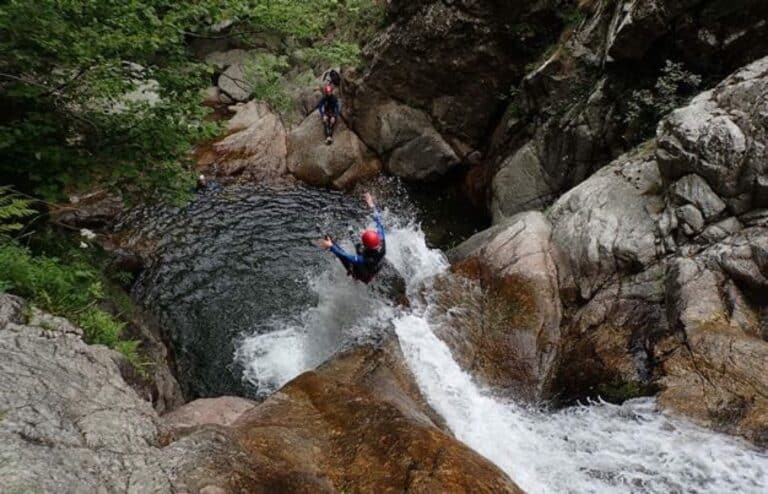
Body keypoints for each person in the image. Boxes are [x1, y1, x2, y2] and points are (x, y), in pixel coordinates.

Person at [318, 192, 385, 284]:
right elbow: (379, 221)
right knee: (353, 235)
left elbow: (346, 256)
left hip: (365, 275)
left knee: (343, 256)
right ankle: (348, 229)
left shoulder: (365, 259)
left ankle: (355, 276)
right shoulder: (382, 241)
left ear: (366, 246)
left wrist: (332, 247)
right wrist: (371, 205)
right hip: (375, 264)